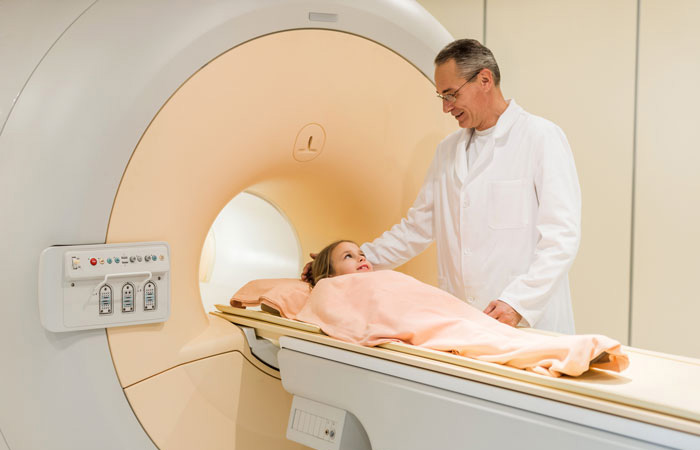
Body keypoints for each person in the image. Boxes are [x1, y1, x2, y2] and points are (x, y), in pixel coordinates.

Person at [303, 39, 581, 334]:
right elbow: (417, 227)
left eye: (451, 94)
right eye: (441, 97)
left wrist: (519, 302)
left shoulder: (541, 138)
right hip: (463, 318)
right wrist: (348, 264)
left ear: (484, 80)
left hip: (526, 320)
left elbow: (561, 237)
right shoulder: (448, 151)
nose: (447, 107)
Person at [288, 240, 626, 377]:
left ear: (483, 81)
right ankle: (567, 352)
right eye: (349, 256)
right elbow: (339, 318)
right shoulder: (330, 287)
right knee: (476, 338)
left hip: (441, 310)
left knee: (480, 331)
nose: (363, 259)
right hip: (416, 321)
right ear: (328, 272)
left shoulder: (542, 137)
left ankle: (562, 350)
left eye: (362, 254)